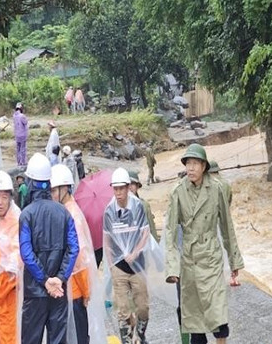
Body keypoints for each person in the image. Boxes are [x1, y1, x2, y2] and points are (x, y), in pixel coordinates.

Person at [165, 144, 244, 344]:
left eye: (194, 163)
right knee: (194, 324)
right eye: (187, 163)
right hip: (189, 262)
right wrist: (172, 267)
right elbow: (170, 232)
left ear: (204, 166)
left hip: (211, 258)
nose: (190, 168)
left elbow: (227, 227)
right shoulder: (177, 191)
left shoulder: (217, 189)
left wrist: (234, 262)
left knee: (218, 318)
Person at [19, 153, 79, 344]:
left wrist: (44, 280)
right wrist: (60, 279)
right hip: (58, 292)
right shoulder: (64, 212)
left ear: (31, 182)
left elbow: (26, 253)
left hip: (34, 292)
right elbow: (74, 248)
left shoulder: (26, 215)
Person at [50, 164, 99, 344]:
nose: (53, 194)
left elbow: (80, 257)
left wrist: (86, 291)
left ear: (65, 188)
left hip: (75, 290)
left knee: (78, 337)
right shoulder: (65, 211)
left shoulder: (73, 216)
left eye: (55, 190)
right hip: (66, 289)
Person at [103, 167, 151, 344]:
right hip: (119, 267)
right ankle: (127, 341)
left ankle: (141, 334)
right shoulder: (109, 211)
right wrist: (111, 265)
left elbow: (145, 233)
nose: (118, 193)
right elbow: (107, 239)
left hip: (137, 265)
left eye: (121, 188)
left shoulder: (138, 206)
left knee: (142, 308)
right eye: (115, 189)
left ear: (128, 187)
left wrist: (135, 251)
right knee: (123, 309)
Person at [0, 171, 22, 344]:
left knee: (9, 336)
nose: (0, 202)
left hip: (9, 292)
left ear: (10, 198)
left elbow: (17, 260)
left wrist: (0, 284)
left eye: (4, 197)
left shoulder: (17, 220)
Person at [127, 169, 158, 242]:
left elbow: (152, 229)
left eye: (133, 184)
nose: (130, 187)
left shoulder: (144, 205)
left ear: (137, 186)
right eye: (127, 184)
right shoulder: (119, 208)